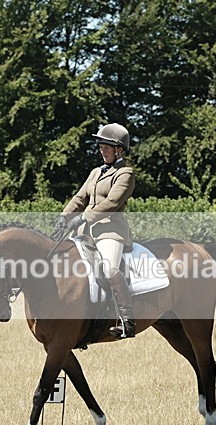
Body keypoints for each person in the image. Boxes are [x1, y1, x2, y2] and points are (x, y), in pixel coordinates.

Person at [52, 123, 136, 339]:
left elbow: (112, 203)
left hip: (110, 230)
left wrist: (83, 217)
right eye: (100, 146)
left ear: (119, 149)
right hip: (84, 230)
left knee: (108, 269)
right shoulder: (96, 172)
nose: (101, 149)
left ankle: (127, 321)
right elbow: (80, 198)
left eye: (106, 146)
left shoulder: (125, 173)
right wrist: (65, 215)